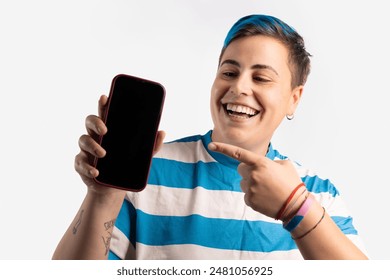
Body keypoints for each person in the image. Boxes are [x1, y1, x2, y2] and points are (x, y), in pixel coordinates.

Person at [52, 14, 368, 260]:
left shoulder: (320, 196)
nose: (239, 87)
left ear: (294, 99)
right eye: (229, 72)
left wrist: (295, 208)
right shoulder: (147, 171)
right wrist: (103, 196)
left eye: (261, 77)